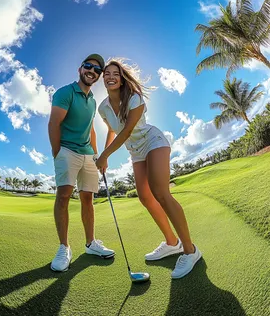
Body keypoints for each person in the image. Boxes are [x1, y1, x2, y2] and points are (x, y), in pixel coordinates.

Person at [95, 59, 202, 279]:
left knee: (160, 192)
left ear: (122, 78)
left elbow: (125, 131)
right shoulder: (103, 107)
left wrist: (105, 155)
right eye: (107, 73)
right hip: (136, 152)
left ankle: (190, 251)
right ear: (103, 78)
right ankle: (172, 243)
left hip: (153, 140)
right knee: (145, 197)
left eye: (115, 73)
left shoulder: (135, 98)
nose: (110, 76)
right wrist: (105, 155)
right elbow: (112, 132)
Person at [48, 54, 115, 272]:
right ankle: (64, 247)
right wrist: (57, 152)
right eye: (88, 66)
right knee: (64, 195)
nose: (92, 71)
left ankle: (90, 244)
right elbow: (54, 123)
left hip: (88, 154)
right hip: (67, 150)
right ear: (80, 69)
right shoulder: (65, 93)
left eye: (97, 70)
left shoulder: (93, 100)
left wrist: (97, 156)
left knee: (88, 198)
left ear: (98, 76)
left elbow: (92, 129)